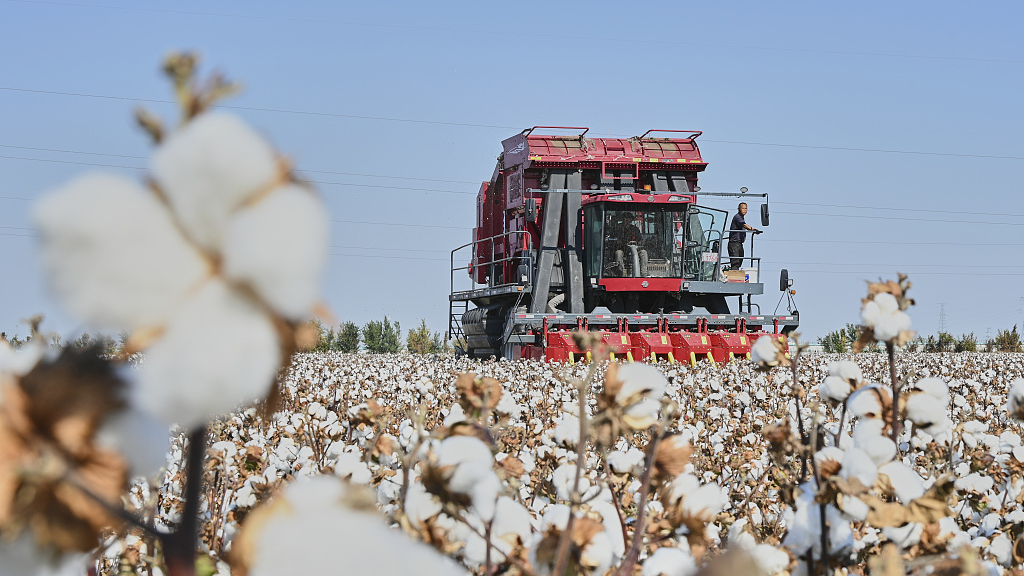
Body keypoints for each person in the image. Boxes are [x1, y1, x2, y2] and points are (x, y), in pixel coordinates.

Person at [728, 202, 760, 271]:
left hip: (739, 243)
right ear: (738, 209)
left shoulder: (741, 218)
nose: (744, 210)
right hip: (734, 243)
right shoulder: (737, 217)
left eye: (746, 208)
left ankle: (736, 274)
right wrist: (752, 229)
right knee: (735, 262)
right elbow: (744, 225)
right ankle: (734, 277)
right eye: (743, 208)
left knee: (740, 260)